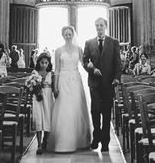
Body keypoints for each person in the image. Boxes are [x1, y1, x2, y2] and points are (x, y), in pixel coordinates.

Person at [49, 26, 92, 152]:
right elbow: (56, 69)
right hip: (63, 80)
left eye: (70, 34)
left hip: (75, 80)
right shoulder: (58, 50)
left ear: (73, 35)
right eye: (66, 34)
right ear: (63, 35)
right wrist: (55, 86)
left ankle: (79, 141)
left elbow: (84, 64)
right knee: (64, 109)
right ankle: (63, 142)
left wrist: (92, 68)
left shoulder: (79, 49)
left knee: (76, 108)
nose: (68, 36)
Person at [83, 17, 122, 152]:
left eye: (101, 25)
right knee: (95, 111)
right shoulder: (89, 43)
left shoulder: (114, 42)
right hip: (94, 82)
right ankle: (96, 136)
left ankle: (105, 142)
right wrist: (92, 69)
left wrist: (117, 78)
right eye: (97, 25)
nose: (99, 28)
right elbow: (85, 60)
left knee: (106, 113)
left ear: (106, 26)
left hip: (108, 83)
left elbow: (118, 63)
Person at [31, 52, 55, 154]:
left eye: (46, 63)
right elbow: (31, 85)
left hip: (48, 97)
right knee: (39, 118)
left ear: (49, 63)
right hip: (38, 97)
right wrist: (35, 87)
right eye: (42, 62)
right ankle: (39, 145)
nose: (44, 65)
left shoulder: (51, 74)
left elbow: (54, 88)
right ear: (39, 62)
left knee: (47, 118)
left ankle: (45, 141)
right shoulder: (35, 73)